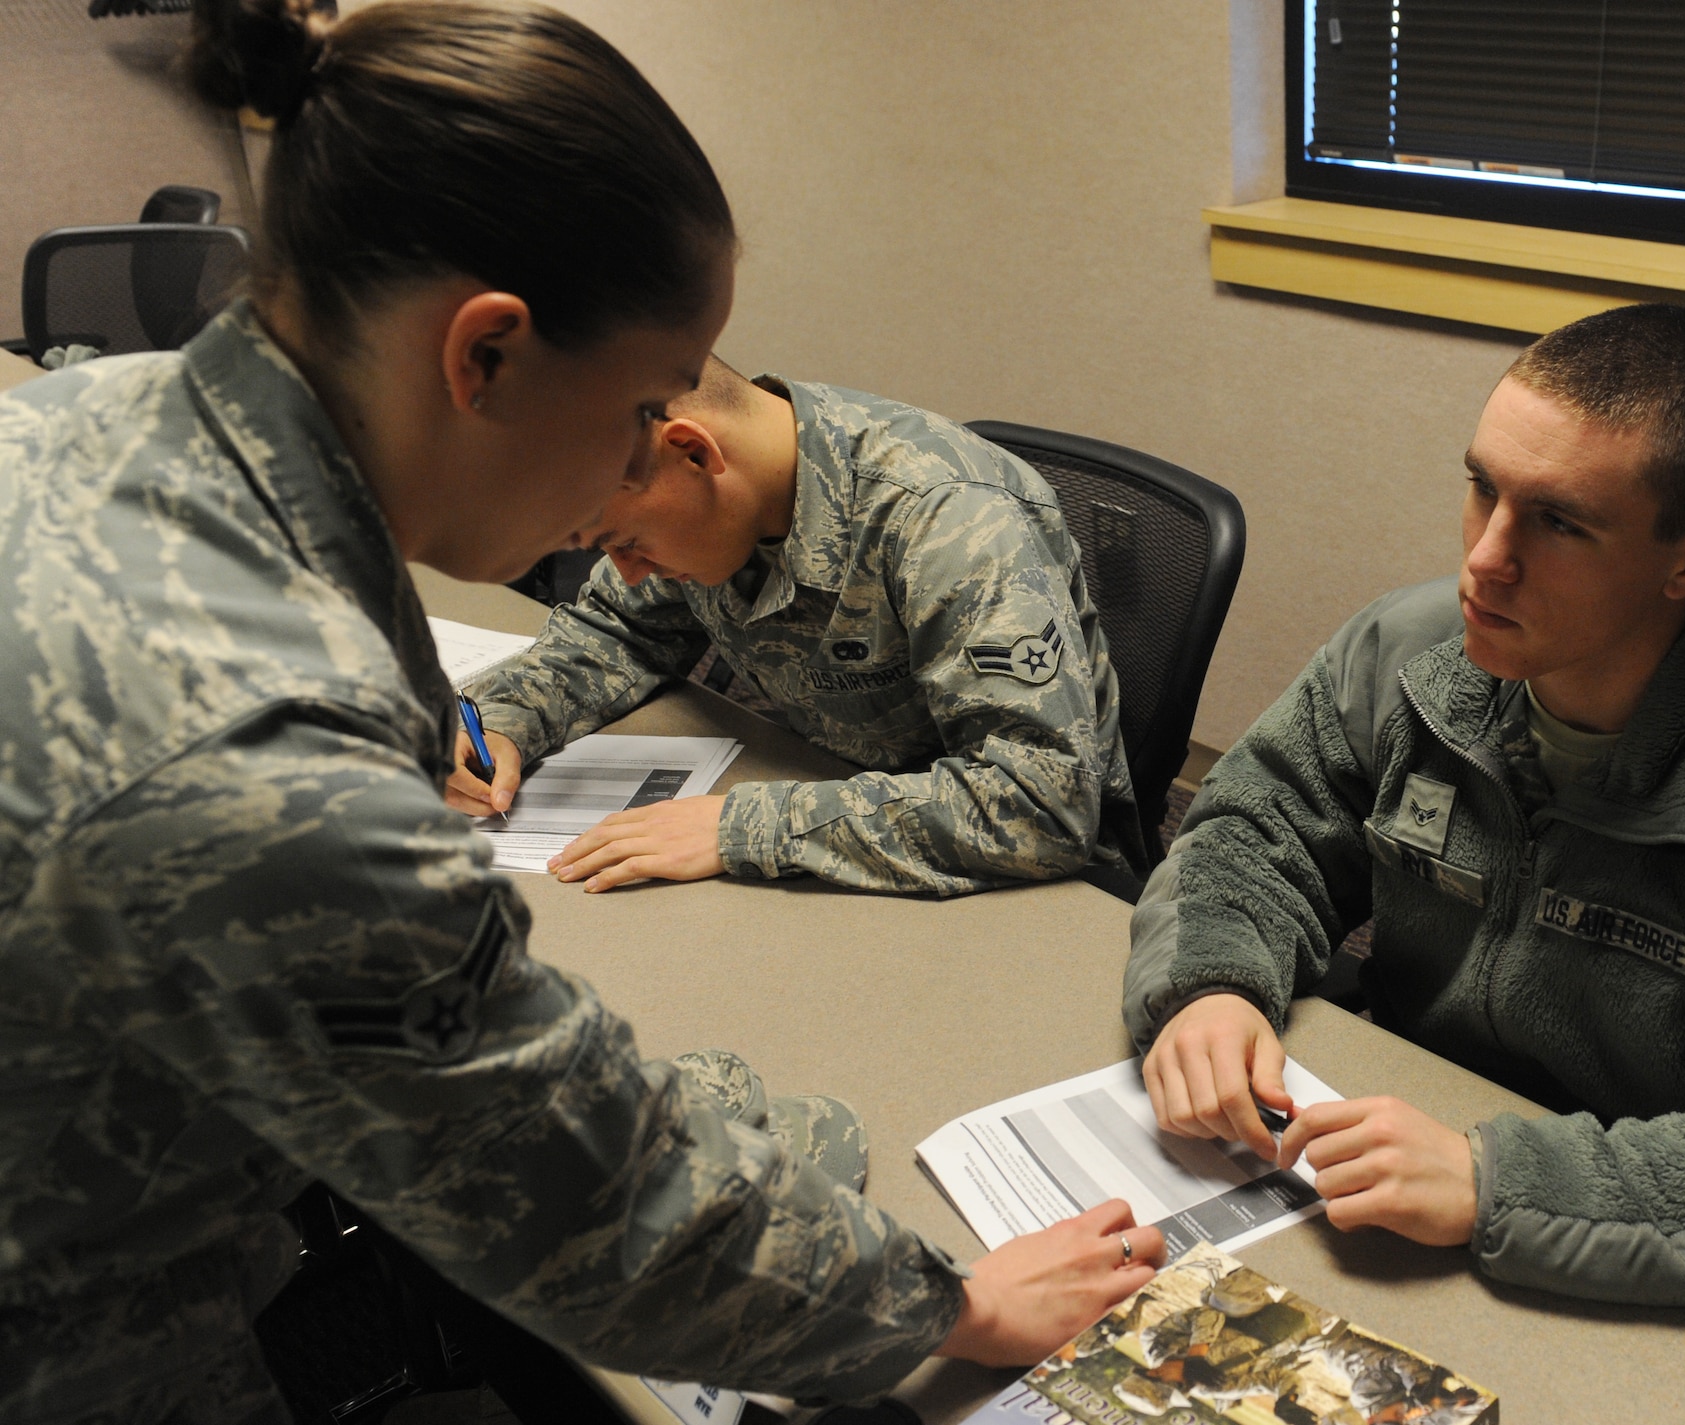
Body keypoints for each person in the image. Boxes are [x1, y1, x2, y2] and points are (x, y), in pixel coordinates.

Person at [0, 2, 1162, 1420]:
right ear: (482, 355)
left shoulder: (75, 423)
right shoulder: (266, 746)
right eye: (637, 408)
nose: (634, 468)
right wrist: (951, 1304)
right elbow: (578, 1196)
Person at [1125, 304, 1685, 1314]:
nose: (1484, 561)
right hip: (1398, 1163)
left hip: (1645, 1233)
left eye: (1558, 522)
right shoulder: (1405, 652)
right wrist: (1210, 986)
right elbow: (1249, 825)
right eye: (1481, 489)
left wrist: (1501, 1185)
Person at [444, 355, 1147, 897]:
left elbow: (1040, 805)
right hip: (836, 808)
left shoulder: (950, 522)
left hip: (1031, 896)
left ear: (696, 455)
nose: (627, 570)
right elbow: (616, 629)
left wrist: (740, 827)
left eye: (627, 541)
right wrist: (502, 722)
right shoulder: (715, 496)